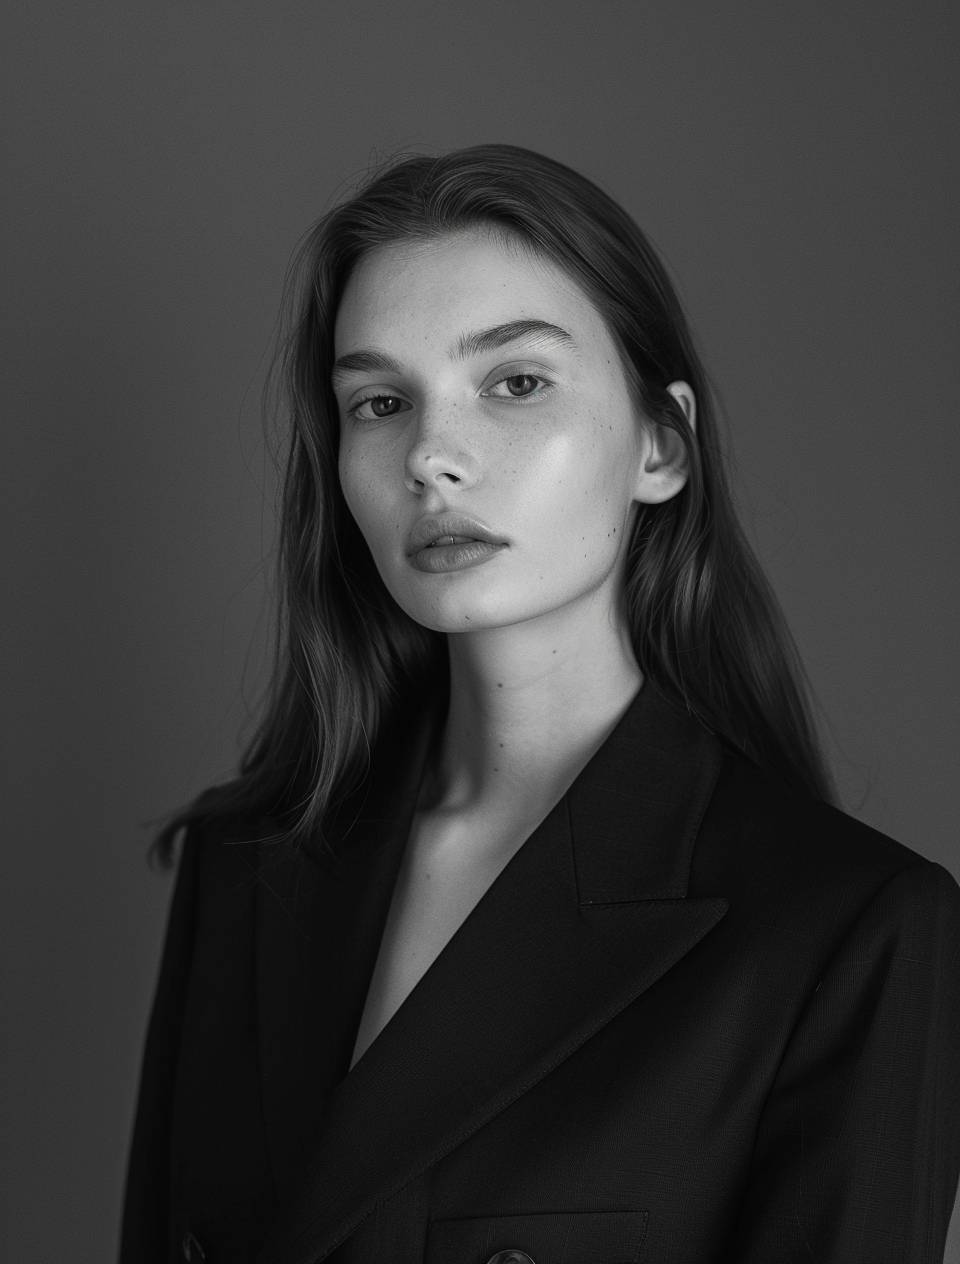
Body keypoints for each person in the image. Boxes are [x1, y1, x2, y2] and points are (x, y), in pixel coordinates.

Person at [119, 143, 960, 1264]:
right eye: (379, 401)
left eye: (515, 382)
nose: (432, 456)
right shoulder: (249, 858)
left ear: (662, 447)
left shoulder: (847, 931)